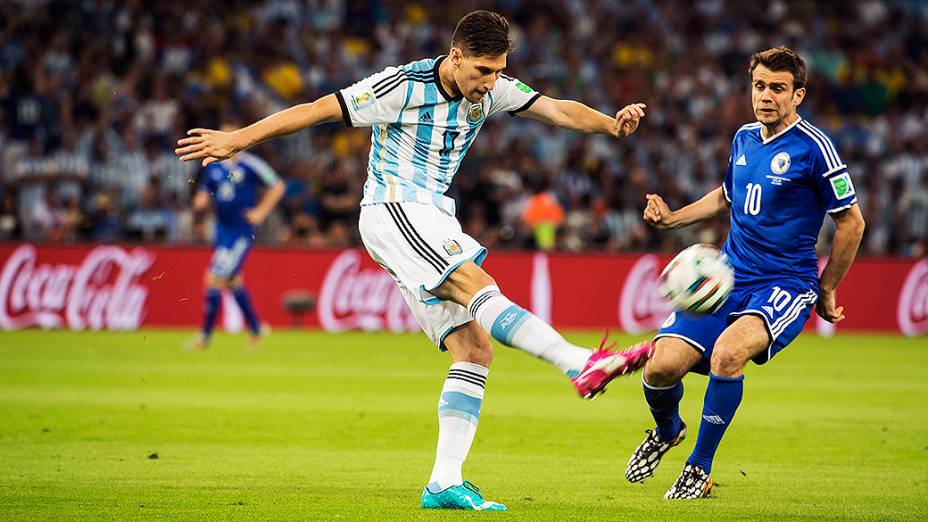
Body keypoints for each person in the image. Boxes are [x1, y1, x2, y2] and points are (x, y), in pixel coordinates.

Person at [176, 10, 651, 511]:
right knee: (476, 283)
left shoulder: (493, 89)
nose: (490, 84)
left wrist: (609, 125)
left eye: (498, 71)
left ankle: (444, 482)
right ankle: (578, 363)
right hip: (394, 207)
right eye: (482, 72)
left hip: (431, 213)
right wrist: (237, 139)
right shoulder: (401, 86)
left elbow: (555, 110)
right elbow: (317, 109)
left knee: (473, 350)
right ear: (455, 57)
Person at [625, 46, 866, 499]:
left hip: (785, 284)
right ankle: (667, 429)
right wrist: (672, 218)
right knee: (660, 369)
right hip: (729, 276)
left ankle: (699, 466)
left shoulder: (815, 149)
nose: (766, 96)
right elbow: (727, 195)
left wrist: (827, 286)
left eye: (778, 88)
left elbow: (852, 221)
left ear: (799, 95)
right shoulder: (743, 138)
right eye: (759, 86)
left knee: (727, 356)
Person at [189, 123, 285, 350]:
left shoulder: (251, 164)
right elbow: (203, 194)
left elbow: (277, 186)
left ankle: (205, 337)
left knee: (213, 277)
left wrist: (261, 212)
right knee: (232, 281)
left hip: (241, 231)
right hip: (222, 230)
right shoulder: (213, 166)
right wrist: (200, 204)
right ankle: (256, 329)